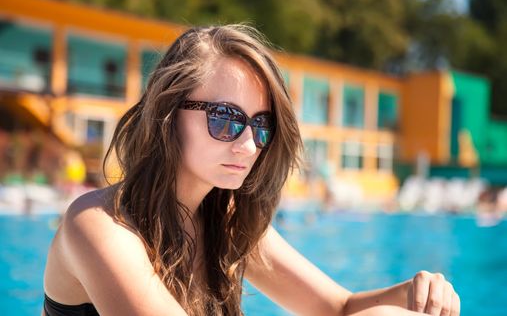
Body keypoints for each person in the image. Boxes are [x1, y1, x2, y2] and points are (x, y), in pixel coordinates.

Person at [43, 25, 460, 316]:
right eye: (225, 118)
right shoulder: (98, 226)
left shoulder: (226, 221)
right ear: (169, 112)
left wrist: (417, 294)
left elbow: (336, 308)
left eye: (261, 125)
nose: (248, 144)